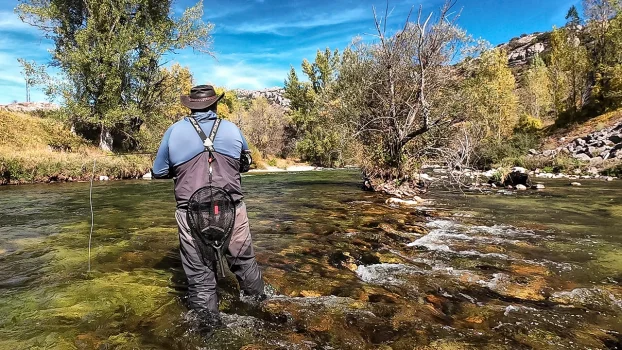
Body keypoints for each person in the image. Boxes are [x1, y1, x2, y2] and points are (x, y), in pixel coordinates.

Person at [151, 85, 265, 329]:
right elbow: (246, 163)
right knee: (244, 262)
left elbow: (158, 171)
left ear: (191, 106)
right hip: (232, 209)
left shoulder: (173, 131)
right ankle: (261, 312)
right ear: (215, 104)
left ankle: (208, 331)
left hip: (191, 213)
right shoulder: (232, 128)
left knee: (201, 274)